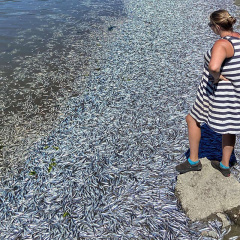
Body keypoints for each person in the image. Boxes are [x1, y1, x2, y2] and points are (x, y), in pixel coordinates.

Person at [176, 9, 240, 177]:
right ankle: (225, 165)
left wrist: (217, 76)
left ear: (217, 26)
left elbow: (213, 66)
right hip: (235, 92)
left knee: (192, 119)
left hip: (217, 92)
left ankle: (193, 162)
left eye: (211, 25)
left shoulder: (222, 43)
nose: (210, 28)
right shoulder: (239, 38)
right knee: (230, 127)